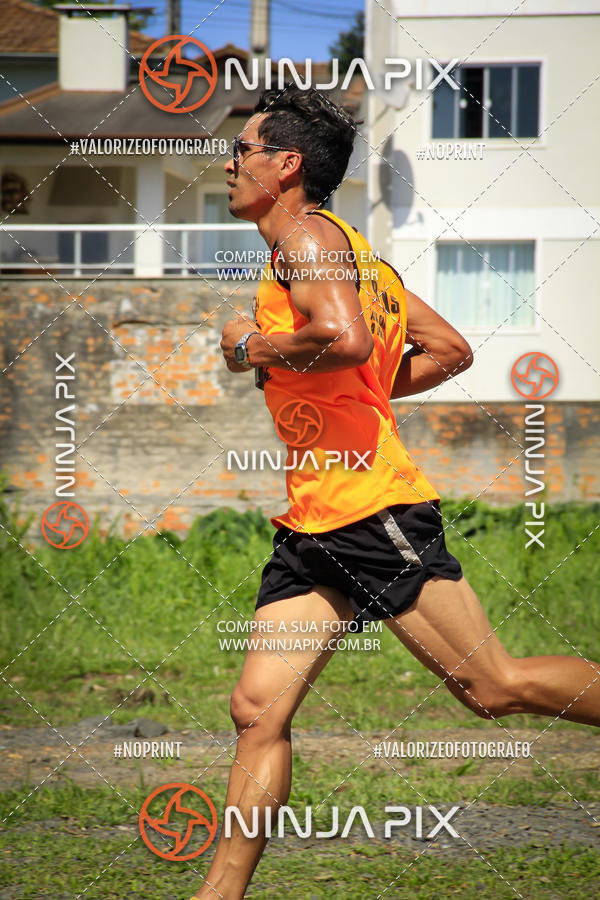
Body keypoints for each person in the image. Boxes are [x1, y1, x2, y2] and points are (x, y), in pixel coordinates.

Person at [192, 85, 600, 899]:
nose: (228, 163)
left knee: (495, 687)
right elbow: (447, 350)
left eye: (243, 149)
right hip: (314, 522)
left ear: (287, 165)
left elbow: (341, 340)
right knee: (257, 710)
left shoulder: (306, 240)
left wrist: (250, 348)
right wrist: (358, 385)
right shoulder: (355, 255)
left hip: (371, 508)